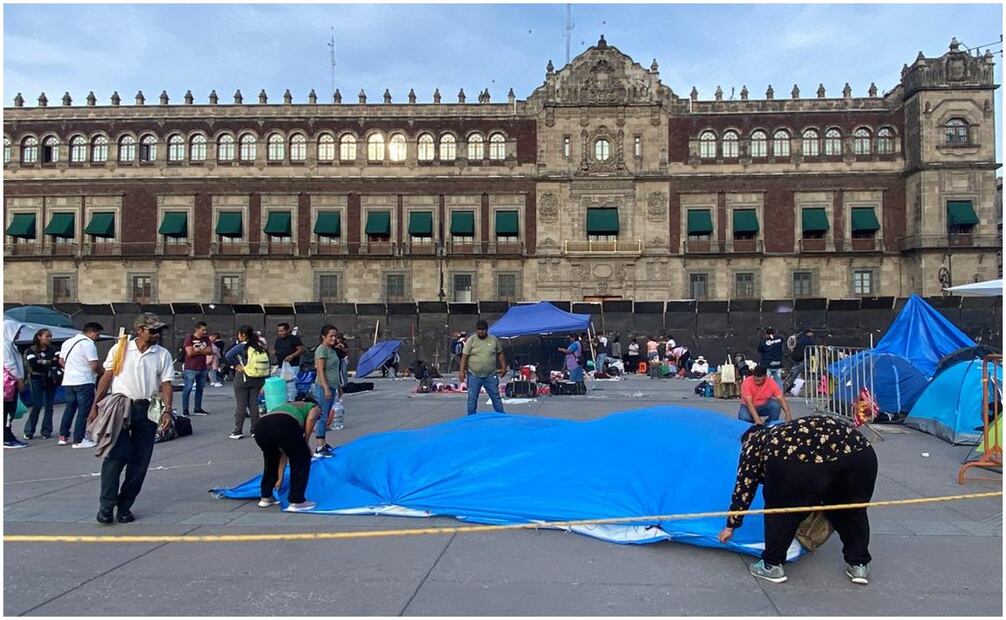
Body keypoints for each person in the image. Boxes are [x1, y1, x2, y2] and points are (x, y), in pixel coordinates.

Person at [717, 416, 878, 586]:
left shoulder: (755, 441)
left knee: (782, 509)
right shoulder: (788, 430)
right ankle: (859, 564)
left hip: (801, 459)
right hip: (860, 452)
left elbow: (745, 486)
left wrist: (731, 525)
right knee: (851, 510)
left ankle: (772, 565)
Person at [88, 313, 174, 524]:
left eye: (159, 331)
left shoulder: (162, 354)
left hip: (147, 409)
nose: (157, 335)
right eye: (152, 330)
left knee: (140, 461)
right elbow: (107, 377)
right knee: (115, 458)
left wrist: (168, 410)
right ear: (140, 330)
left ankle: (125, 506)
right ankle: (106, 507)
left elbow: (167, 383)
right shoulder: (121, 349)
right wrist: (94, 406)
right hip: (121, 406)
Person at [254, 394, 322, 512]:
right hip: (283, 425)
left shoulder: (288, 406)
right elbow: (311, 418)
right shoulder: (314, 407)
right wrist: (305, 442)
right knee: (301, 458)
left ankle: (266, 497)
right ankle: (297, 501)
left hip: (260, 427)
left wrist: (280, 478)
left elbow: (283, 454)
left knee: (271, 460)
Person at [58, 322, 103, 448]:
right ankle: (79, 439)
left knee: (69, 408)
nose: (97, 337)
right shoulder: (88, 344)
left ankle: (63, 436)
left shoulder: (68, 342)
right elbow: (94, 364)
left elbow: (61, 361)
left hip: (68, 380)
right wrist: (102, 373)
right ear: (92, 332)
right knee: (83, 410)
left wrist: (72, 369)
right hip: (84, 380)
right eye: (97, 334)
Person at [225, 325, 270, 440]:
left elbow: (228, 355)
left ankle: (237, 431)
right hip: (258, 378)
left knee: (241, 405)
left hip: (243, 378)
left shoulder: (242, 346)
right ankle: (255, 429)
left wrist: (237, 365)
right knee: (254, 405)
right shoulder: (259, 346)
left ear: (243, 335)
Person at [459, 319, 506, 416]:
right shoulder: (471, 340)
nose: (480, 331)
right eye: (478, 329)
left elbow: (500, 353)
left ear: (487, 329)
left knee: (495, 397)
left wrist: (503, 367)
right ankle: (471, 417)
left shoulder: (493, 340)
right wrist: (461, 371)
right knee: (472, 398)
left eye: (483, 329)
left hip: (490, 374)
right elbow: (464, 356)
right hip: (474, 374)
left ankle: (501, 416)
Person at [312, 325, 344, 455]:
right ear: (323, 337)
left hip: (332, 385)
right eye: (331, 336)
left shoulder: (332, 350)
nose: (334, 338)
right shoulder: (322, 350)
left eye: (335, 336)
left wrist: (339, 386)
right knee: (322, 416)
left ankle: (324, 443)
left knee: (326, 415)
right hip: (323, 386)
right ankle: (320, 445)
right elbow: (320, 370)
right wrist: (326, 388)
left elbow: (334, 370)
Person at [23, 328, 59, 440]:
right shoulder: (31, 350)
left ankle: (46, 430)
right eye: (47, 336)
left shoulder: (54, 349)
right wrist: (47, 362)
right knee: (37, 405)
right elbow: (33, 364)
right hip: (36, 378)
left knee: (49, 405)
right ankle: (29, 431)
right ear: (39, 337)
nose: (49, 338)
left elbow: (57, 361)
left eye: (50, 336)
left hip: (50, 379)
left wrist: (45, 362)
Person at [4, 322, 28, 449]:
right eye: (17, 331)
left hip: (8, 384)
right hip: (8, 384)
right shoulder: (5, 345)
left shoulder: (8, 344)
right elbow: (9, 364)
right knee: (8, 411)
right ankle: (6, 437)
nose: (18, 334)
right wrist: (19, 379)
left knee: (8, 410)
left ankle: (7, 434)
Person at [181, 322, 213, 417]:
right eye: (202, 330)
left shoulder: (206, 339)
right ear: (197, 329)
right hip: (191, 367)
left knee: (200, 389)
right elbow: (190, 353)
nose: (205, 332)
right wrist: (202, 351)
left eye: (205, 330)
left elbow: (210, 351)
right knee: (188, 388)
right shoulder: (189, 338)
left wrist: (198, 350)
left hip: (202, 367)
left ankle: (197, 408)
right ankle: (185, 410)